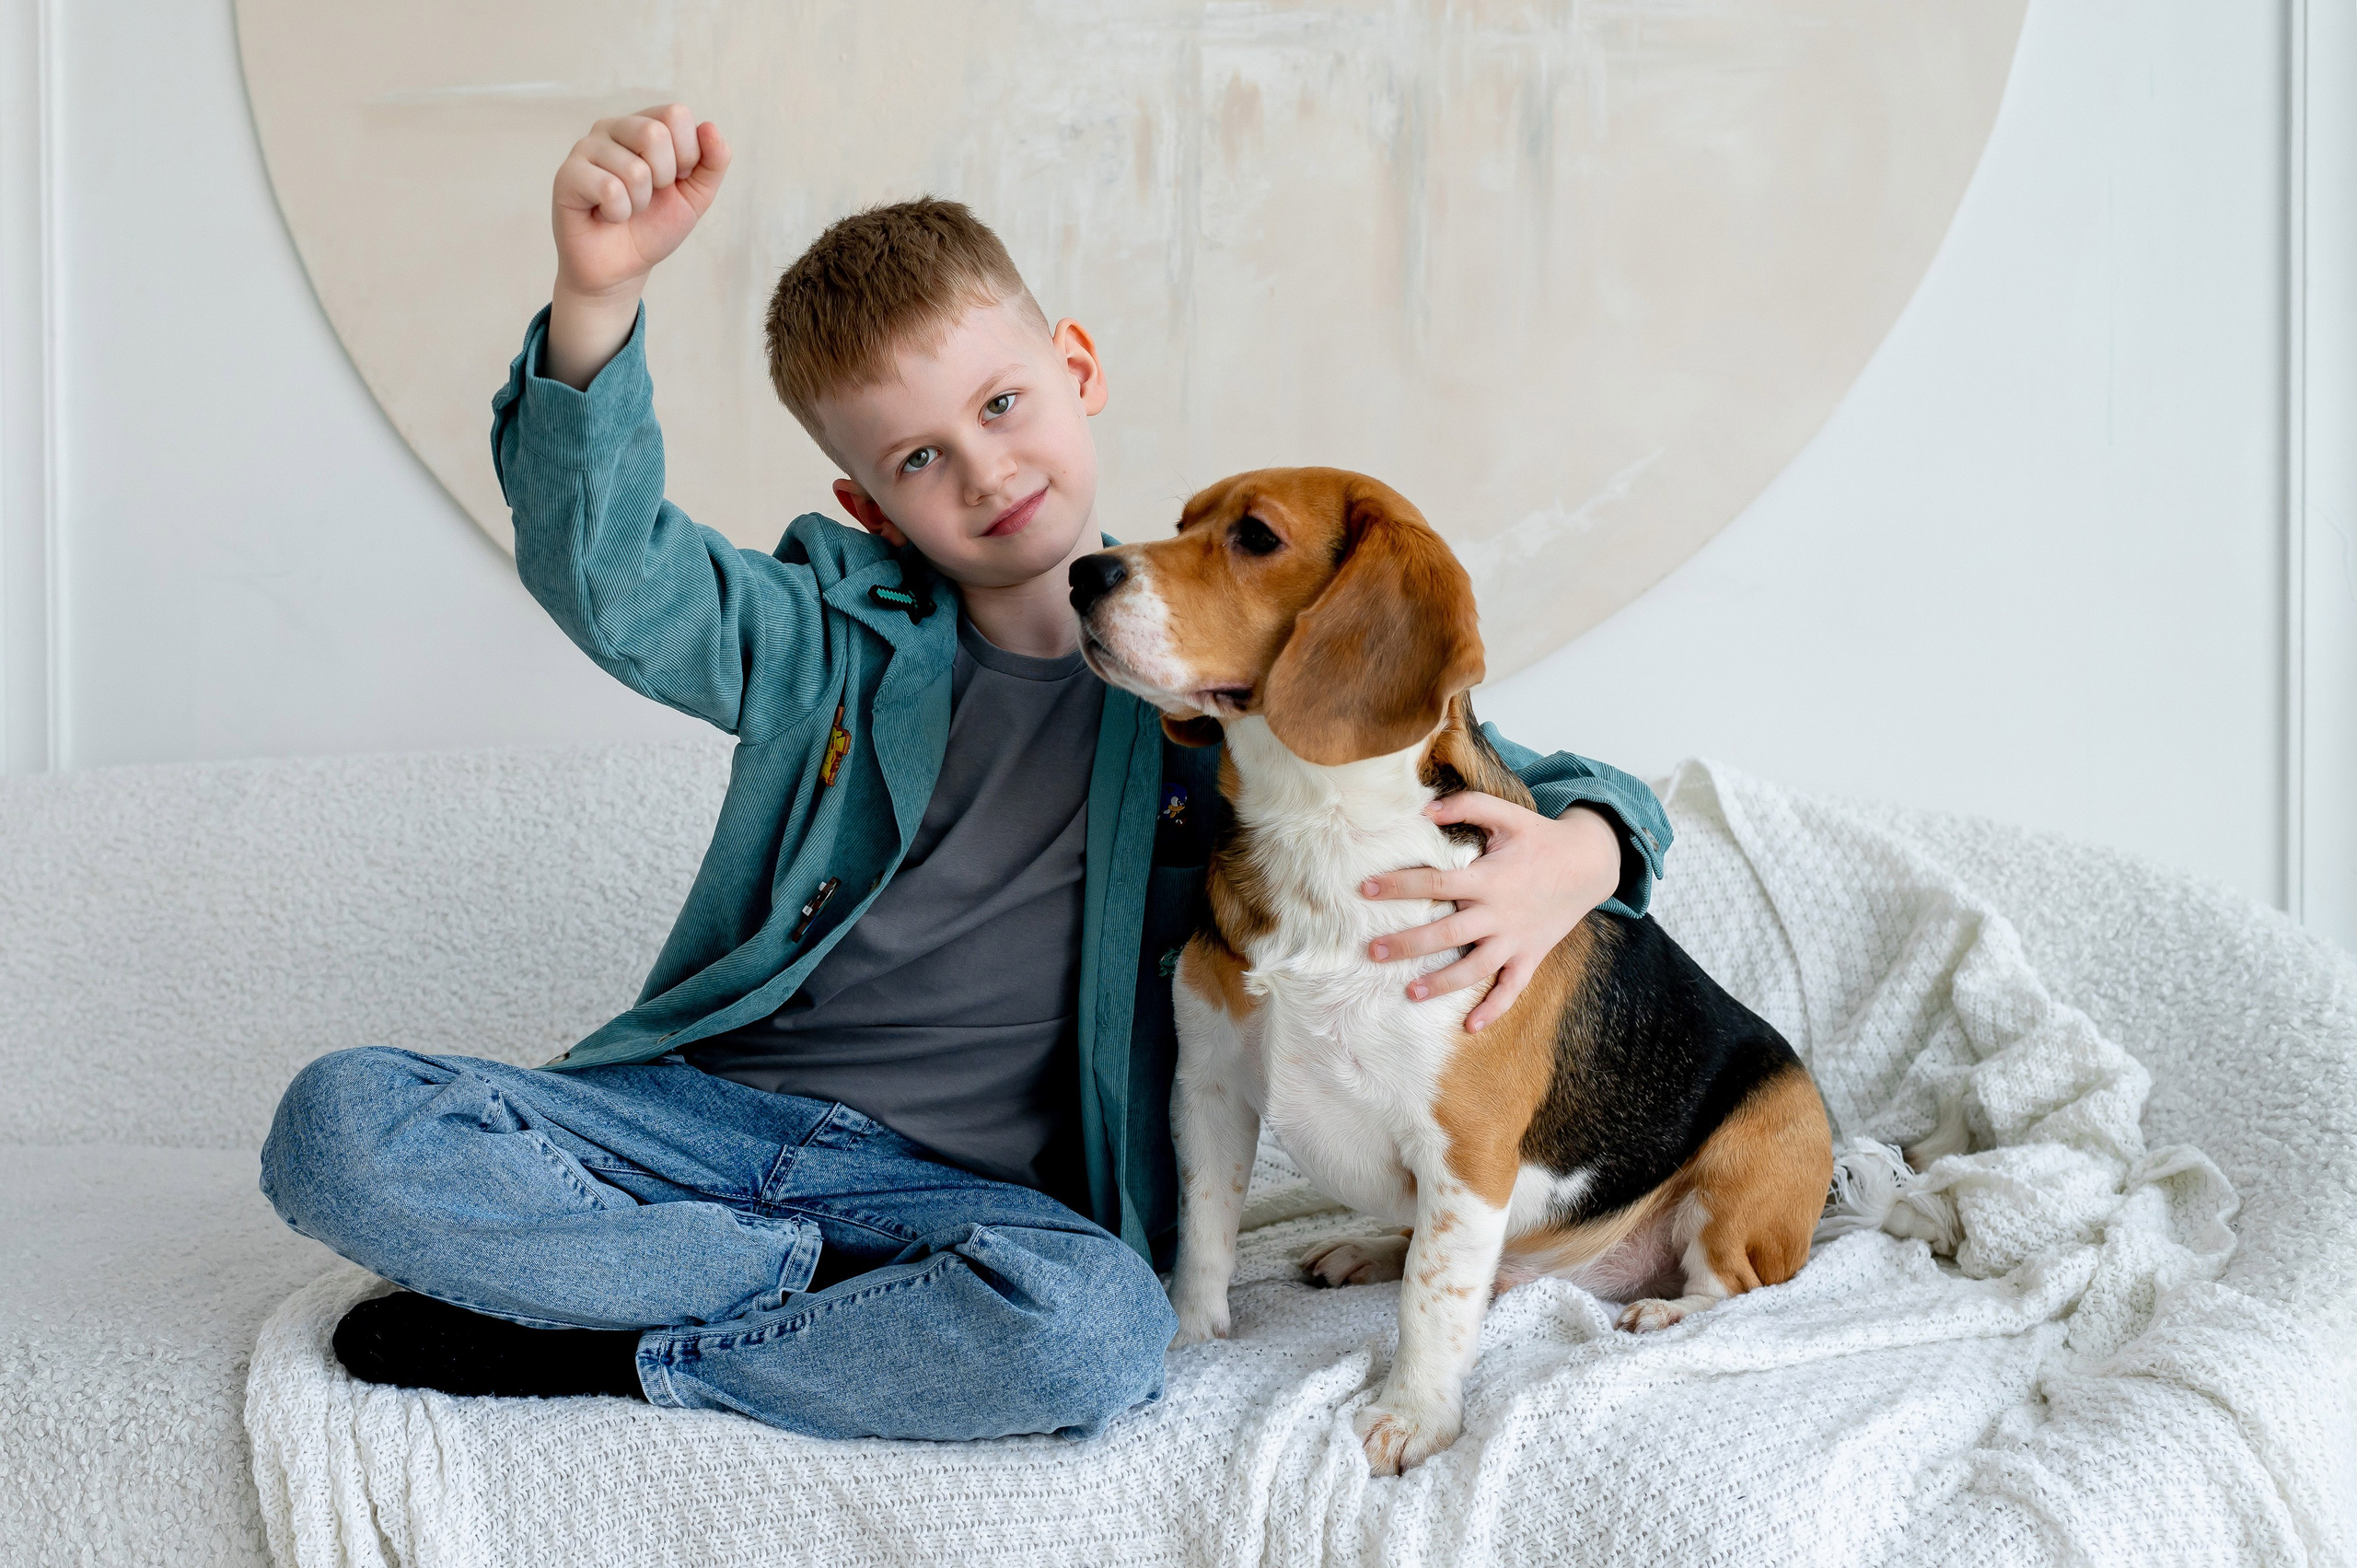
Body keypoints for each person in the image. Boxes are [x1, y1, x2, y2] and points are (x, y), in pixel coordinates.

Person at [257, 104, 1676, 1443]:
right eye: (924, 457)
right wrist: (595, 307)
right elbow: (617, 582)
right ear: (869, 507)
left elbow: (1481, 757)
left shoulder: (1234, 683)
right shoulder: (822, 639)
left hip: (961, 1197)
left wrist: (1589, 851)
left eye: (1005, 404)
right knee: (340, 1126)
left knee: (1094, 1336)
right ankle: (780, 1290)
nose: (987, 469)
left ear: (1078, 368)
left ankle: (620, 1345)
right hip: (698, 1123)